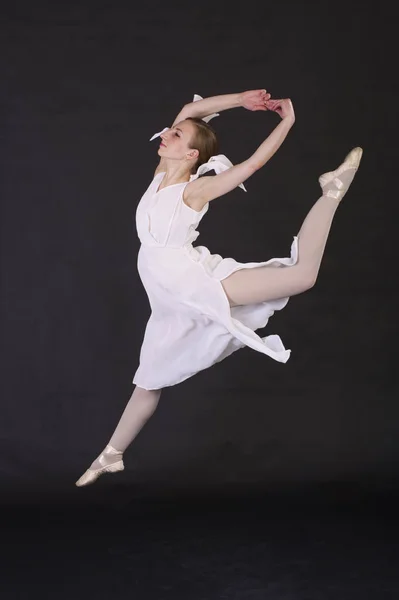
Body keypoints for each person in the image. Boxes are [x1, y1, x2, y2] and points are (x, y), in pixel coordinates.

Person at [76, 89, 362, 487]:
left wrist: (287, 122)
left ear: (192, 155)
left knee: (302, 277)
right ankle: (112, 455)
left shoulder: (194, 191)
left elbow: (254, 163)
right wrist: (243, 99)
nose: (167, 134)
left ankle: (331, 191)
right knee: (149, 378)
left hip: (197, 283)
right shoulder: (160, 176)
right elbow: (194, 111)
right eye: (171, 131)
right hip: (168, 300)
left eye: (176, 136)